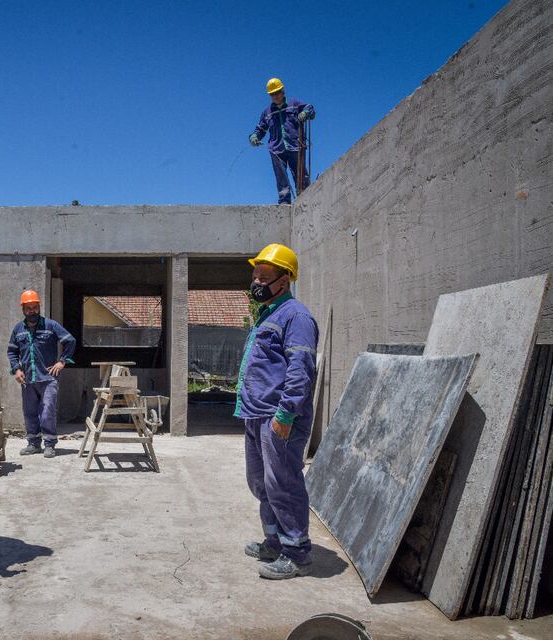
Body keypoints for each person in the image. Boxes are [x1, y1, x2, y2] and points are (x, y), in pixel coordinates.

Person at [234, 243, 318, 579]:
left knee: (283, 482)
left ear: (284, 280)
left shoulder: (296, 316)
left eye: (264, 276)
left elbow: (301, 369)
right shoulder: (268, 314)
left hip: (278, 417)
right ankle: (274, 540)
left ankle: (296, 552)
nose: (256, 281)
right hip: (256, 415)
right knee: (260, 482)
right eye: (255, 274)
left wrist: (285, 415)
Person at [7, 289, 76, 458]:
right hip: (27, 379)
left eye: (35, 307)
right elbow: (11, 351)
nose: (32, 311)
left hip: (47, 378)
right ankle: (33, 444)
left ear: (39, 307)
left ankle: (50, 444)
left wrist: (62, 361)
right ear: (23, 309)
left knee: (47, 412)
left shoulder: (50, 326)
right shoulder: (18, 329)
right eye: (28, 308)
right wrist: (16, 369)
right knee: (30, 413)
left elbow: (70, 341)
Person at [249, 77, 315, 204]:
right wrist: (254, 137)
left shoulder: (294, 104)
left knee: (300, 173)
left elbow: (310, 108)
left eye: (278, 92)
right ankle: (284, 201)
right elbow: (260, 128)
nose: (276, 96)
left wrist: (305, 112)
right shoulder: (267, 113)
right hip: (276, 149)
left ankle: (305, 197)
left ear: (283, 91)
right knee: (281, 178)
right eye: (272, 94)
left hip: (295, 145)